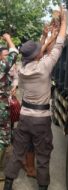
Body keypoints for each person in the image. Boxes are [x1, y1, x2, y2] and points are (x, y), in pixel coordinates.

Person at [3, 8, 66, 190]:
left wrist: (45, 37)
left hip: (25, 119)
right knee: (43, 156)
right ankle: (42, 187)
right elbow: (60, 43)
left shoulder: (22, 69)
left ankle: (8, 184)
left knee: (17, 153)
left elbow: (37, 53)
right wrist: (62, 21)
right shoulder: (44, 67)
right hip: (40, 120)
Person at [0, 34, 18, 174]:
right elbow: (14, 53)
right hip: (1, 109)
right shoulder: (2, 67)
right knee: (3, 137)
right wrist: (8, 39)